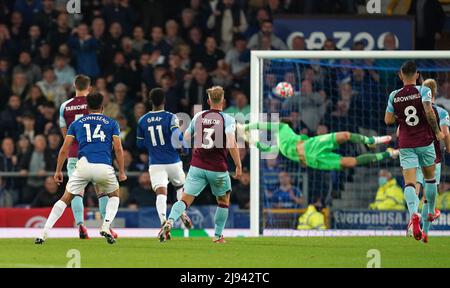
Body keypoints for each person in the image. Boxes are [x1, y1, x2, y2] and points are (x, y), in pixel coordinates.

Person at [35, 92, 127, 245]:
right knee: (115, 196)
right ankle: (105, 226)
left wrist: (58, 170)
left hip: (83, 165)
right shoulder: (111, 123)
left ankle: (44, 233)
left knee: (65, 198)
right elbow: (118, 149)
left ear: (87, 107)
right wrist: (122, 171)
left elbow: (65, 149)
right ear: (102, 107)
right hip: (104, 166)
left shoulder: (76, 124)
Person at [160, 86, 242, 243]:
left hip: (197, 166)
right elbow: (231, 143)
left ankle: (170, 221)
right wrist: (238, 165)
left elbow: (185, 137)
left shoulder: (199, 116)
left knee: (185, 200)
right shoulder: (228, 119)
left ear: (208, 101)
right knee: (223, 202)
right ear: (223, 102)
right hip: (217, 169)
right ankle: (217, 236)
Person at [384, 61, 444, 243]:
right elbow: (429, 111)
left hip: (406, 143)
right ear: (417, 75)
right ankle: (432, 210)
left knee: (409, 183)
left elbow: (387, 120)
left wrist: (399, 116)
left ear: (401, 75)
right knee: (430, 179)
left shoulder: (394, 95)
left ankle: (414, 215)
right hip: (425, 142)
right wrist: (437, 131)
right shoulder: (424, 91)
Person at [59, 75, 117, 240]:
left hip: (73, 154)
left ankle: (80, 225)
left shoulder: (65, 106)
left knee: (76, 191)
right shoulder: (93, 102)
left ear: (74, 85)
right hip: (96, 154)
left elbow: (66, 135)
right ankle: (107, 227)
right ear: (89, 86)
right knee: (103, 191)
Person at [136, 88, 192, 236]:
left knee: (161, 193)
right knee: (180, 187)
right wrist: (185, 148)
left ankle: (163, 221)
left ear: (150, 101)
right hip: (173, 161)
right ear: (164, 101)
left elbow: (140, 145)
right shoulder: (171, 117)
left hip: (155, 163)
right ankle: (182, 213)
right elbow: (176, 135)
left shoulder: (142, 120)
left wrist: (152, 145)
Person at [241, 121, 397, 171]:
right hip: (313, 160)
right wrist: (252, 141)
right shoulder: (279, 149)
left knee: (345, 135)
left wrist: (248, 126)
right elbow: (267, 149)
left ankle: (371, 141)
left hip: (312, 145)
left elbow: (266, 125)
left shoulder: (283, 130)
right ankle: (389, 154)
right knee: (350, 163)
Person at [415, 79, 450, 237]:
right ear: (435, 92)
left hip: (415, 153)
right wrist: (448, 148)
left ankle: (413, 220)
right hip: (433, 156)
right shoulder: (441, 112)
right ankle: (426, 233)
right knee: (429, 195)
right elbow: (445, 133)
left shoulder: (416, 110)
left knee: (416, 187)